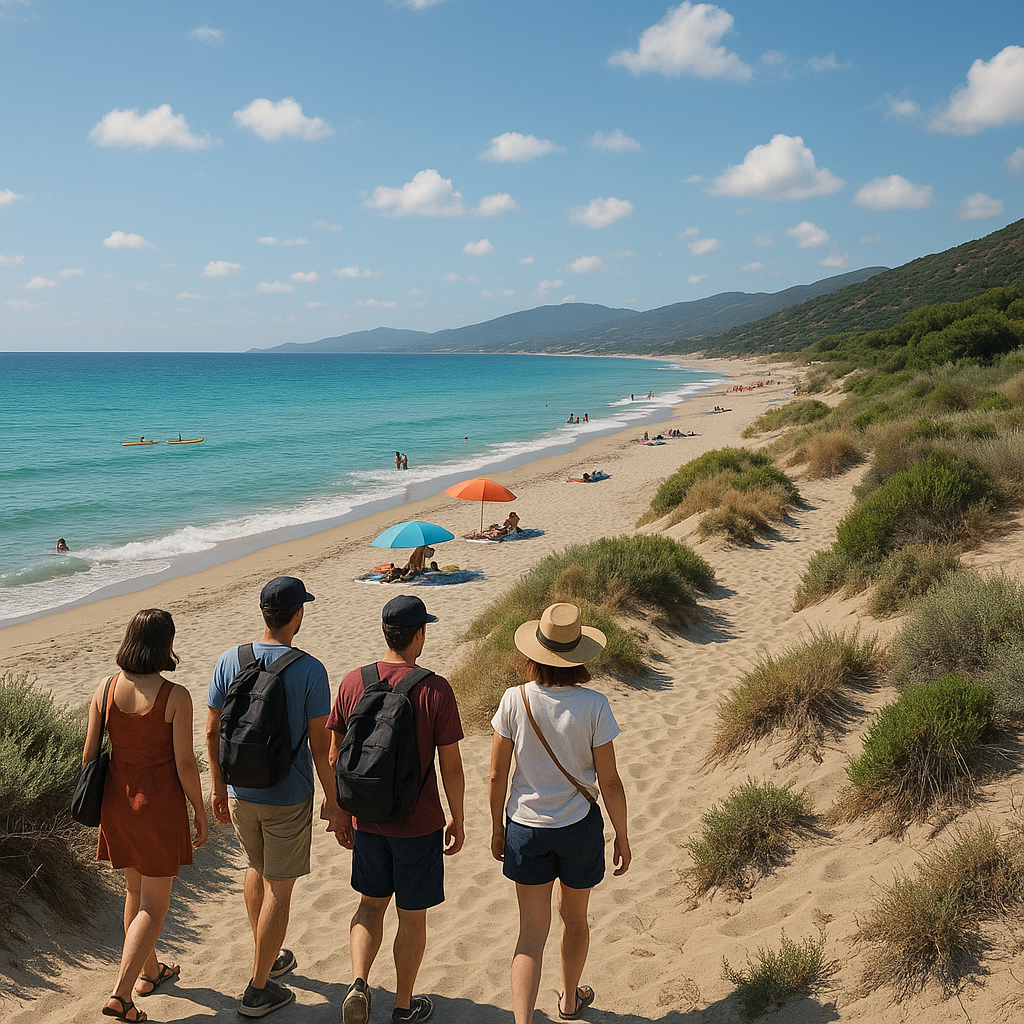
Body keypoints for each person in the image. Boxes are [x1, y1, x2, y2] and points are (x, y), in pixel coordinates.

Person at [206, 576, 344, 1018]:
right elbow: (321, 748)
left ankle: (267, 956)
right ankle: (258, 987)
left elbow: (211, 729)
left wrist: (217, 786)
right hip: (287, 793)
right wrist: (333, 801)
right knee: (279, 893)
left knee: (255, 868)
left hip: (241, 791)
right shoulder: (309, 669)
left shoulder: (230, 660)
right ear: (297, 614)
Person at [488, 603, 630, 1024]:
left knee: (530, 935)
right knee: (575, 920)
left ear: (535, 654)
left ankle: (523, 1021)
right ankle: (569, 999)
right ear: (580, 656)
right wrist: (622, 834)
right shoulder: (595, 705)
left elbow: (497, 774)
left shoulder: (514, 700)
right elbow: (611, 782)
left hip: (526, 828)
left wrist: (497, 827)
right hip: (578, 828)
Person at [327, 594, 465, 1024]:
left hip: (366, 818)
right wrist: (457, 817)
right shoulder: (434, 688)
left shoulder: (354, 682)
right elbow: (451, 766)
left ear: (386, 633)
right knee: (412, 916)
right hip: (418, 822)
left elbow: (334, 757)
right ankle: (403, 1006)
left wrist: (339, 812)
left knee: (370, 905)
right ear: (419, 633)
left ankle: (358, 983)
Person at [84, 609, 208, 1023]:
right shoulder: (175, 696)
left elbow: (88, 760)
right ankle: (120, 995)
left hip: (117, 806)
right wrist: (200, 811)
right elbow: (185, 765)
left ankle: (148, 974)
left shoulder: (103, 689)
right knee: (154, 906)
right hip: (158, 808)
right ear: (165, 646)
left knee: (134, 894)